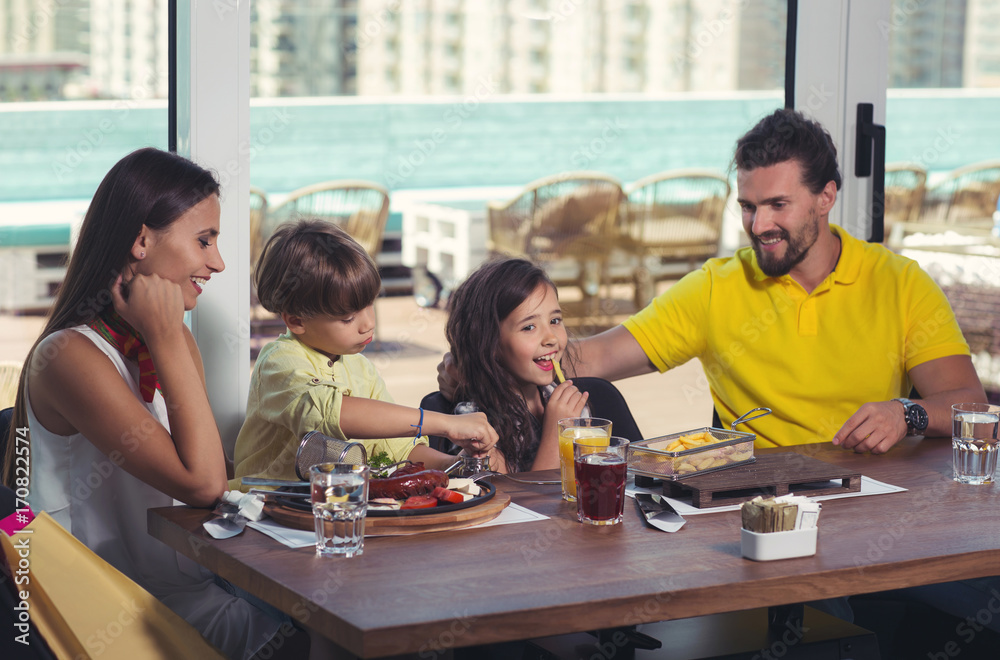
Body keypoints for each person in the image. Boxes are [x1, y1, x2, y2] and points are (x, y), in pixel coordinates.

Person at [440, 108, 986, 454]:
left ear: (826, 196)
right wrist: (482, 356)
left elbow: (975, 410)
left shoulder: (899, 283)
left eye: (778, 205)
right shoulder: (717, 286)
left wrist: (907, 413)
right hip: (762, 498)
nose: (759, 225)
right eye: (748, 206)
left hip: (879, 495)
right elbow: (592, 360)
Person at [0, 148, 298, 659]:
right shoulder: (70, 355)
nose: (219, 262)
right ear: (141, 239)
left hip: (187, 586)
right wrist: (165, 337)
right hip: (112, 611)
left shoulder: (170, 339)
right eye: (204, 240)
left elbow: (210, 471)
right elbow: (204, 485)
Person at [230, 219, 498, 490]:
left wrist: (456, 465)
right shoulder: (280, 362)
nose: (368, 324)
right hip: (261, 508)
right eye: (348, 318)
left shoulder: (360, 368)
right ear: (297, 321)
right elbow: (332, 413)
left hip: (337, 506)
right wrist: (446, 424)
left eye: (370, 304)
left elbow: (399, 450)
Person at [444, 258, 591, 473]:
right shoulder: (476, 421)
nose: (551, 338)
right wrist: (556, 434)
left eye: (555, 321)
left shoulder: (567, 403)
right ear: (490, 342)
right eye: (529, 327)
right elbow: (515, 504)